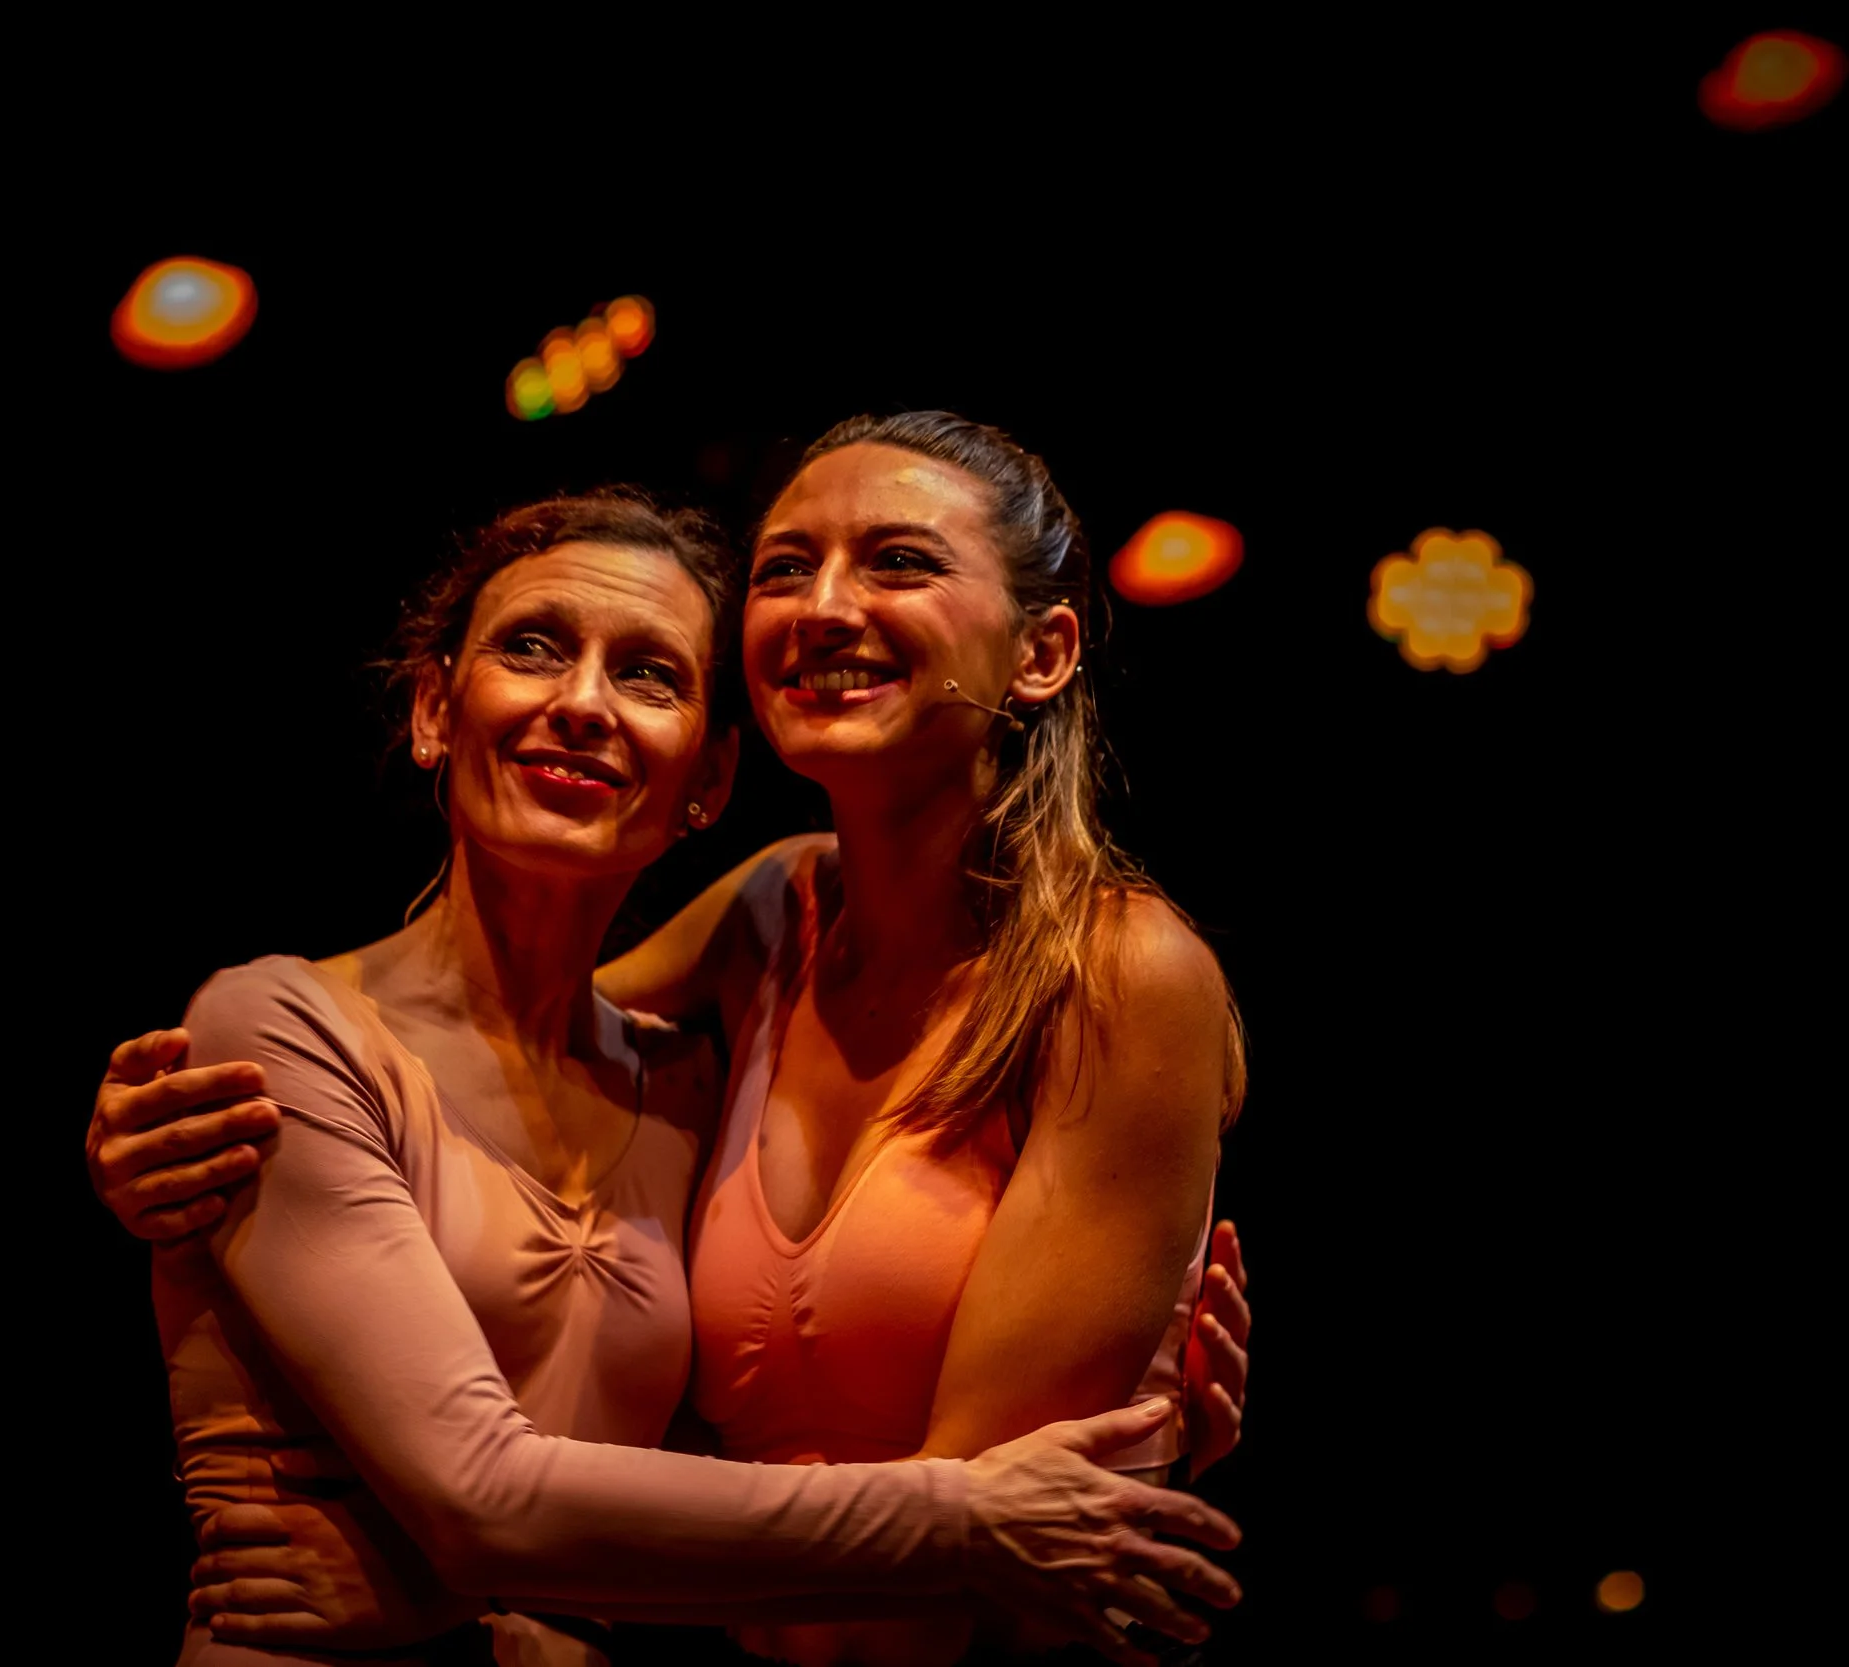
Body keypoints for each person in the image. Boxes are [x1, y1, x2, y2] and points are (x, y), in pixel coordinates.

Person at [92, 441, 1253, 1667]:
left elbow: (981, 1531)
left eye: (898, 561)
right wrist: (154, 1137)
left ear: (706, 775)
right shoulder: (768, 924)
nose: (825, 607)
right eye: (787, 567)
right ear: (434, 708)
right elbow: (473, 1039)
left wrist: (1148, 1383)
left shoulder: (1089, 975)